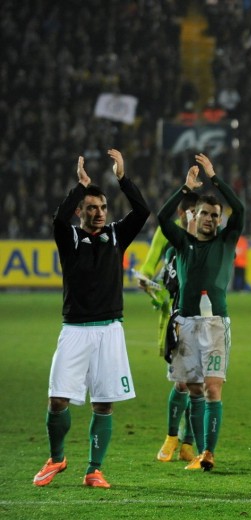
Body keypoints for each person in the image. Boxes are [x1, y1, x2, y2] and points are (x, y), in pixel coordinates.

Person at [34, 150, 150, 488]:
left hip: (110, 330)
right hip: (74, 329)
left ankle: (94, 469)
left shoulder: (116, 235)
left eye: (102, 208)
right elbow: (58, 219)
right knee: (57, 400)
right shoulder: (68, 238)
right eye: (91, 208)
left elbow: (142, 210)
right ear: (80, 212)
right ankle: (57, 458)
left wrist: (123, 178)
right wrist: (79, 186)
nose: (99, 213)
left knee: (103, 403)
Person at [157, 152, 245, 472]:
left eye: (214, 214)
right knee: (191, 388)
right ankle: (187, 446)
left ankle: (207, 452)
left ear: (220, 219)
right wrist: (185, 188)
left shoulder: (226, 242)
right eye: (204, 213)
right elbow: (162, 218)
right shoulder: (182, 242)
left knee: (212, 387)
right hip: (185, 323)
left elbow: (242, 210)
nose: (209, 218)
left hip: (215, 324)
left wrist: (215, 177)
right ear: (196, 214)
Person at [139, 191, 200, 463]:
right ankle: (172, 436)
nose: (199, 218)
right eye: (194, 213)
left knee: (198, 383)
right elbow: (149, 268)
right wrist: (147, 282)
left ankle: (189, 443)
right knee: (182, 382)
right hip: (176, 317)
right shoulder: (167, 234)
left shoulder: (210, 238)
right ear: (182, 213)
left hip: (206, 319)